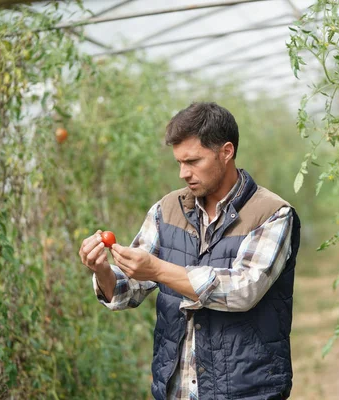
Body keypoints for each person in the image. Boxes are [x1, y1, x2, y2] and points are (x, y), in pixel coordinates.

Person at [78, 102, 301, 400]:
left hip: (246, 391)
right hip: (176, 390)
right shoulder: (166, 211)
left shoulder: (271, 214)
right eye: (179, 162)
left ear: (226, 152)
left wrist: (157, 269)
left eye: (193, 161)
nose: (184, 173)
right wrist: (102, 270)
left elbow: (243, 290)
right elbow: (126, 291)